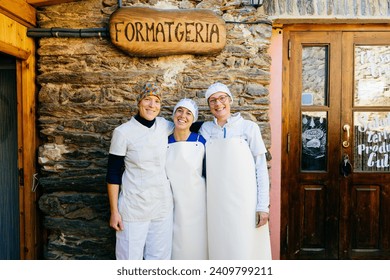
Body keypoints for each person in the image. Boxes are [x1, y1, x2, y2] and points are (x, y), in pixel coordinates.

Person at [199, 82, 272, 260]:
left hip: (245, 202)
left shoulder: (248, 128)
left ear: (230, 99)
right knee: (220, 248)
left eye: (222, 98)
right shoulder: (206, 130)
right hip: (216, 203)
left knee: (244, 247)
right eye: (213, 100)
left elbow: (261, 168)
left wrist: (263, 206)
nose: (218, 104)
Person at [106, 82, 174, 260]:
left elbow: (187, 125)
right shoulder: (123, 132)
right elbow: (113, 174)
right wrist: (114, 212)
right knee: (129, 260)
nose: (152, 105)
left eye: (157, 101)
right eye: (147, 99)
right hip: (133, 208)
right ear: (138, 102)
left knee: (159, 260)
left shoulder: (164, 125)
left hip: (162, 206)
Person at [166, 98, 208, 260]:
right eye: (179, 111)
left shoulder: (201, 141)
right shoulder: (164, 141)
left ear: (194, 119)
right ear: (173, 114)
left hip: (197, 204)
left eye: (188, 113)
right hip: (170, 203)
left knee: (195, 246)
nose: (183, 116)